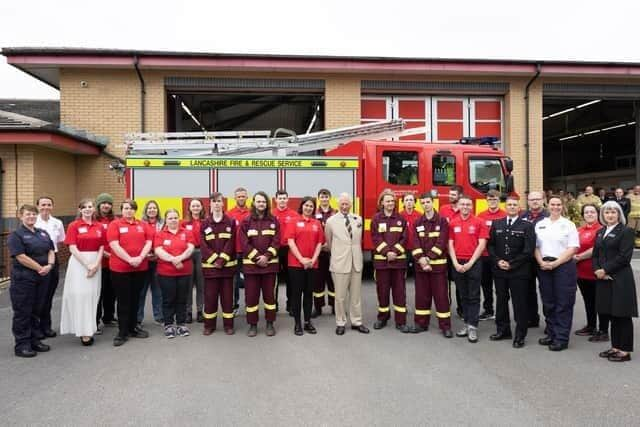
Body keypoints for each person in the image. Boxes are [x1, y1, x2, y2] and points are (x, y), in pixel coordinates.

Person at [487, 196, 535, 348]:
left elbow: (528, 250)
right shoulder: (497, 223)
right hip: (500, 270)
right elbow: (491, 246)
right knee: (501, 301)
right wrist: (497, 261)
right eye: (509, 205)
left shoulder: (527, 226)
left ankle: (520, 335)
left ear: (519, 207)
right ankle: (503, 330)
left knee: (519, 303)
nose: (512, 207)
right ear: (505, 207)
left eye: (515, 205)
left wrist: (511, 264)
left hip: (519, 272)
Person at [593, 201, 638, 362]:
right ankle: (615, 347)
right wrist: (598, 270)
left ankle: (625, 351)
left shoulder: (626, 231)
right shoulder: (600, 231)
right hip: (604, 278)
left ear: (619, 214)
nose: (610, 215)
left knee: (622, 315)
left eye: (613, 212)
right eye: (606, 212)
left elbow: (624, 257)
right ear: (602, 215)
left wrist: (605, 270)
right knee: (611, 314)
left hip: (620, 278)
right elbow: (596, 255)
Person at [8, 204, 55, 357]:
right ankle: (22, 345)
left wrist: (50, 265)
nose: (31, 217)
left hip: (42, 277)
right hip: (24, 279)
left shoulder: (42, 233)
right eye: (28, 214)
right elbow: (21, 256)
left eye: (34, 214)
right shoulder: (16, 235)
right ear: (20, 216)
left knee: (37, 310)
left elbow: (50, 250)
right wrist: (39, 268)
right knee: (23, 312)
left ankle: (35, 340)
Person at [534, 195, 580, 351]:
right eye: (553, 204)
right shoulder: (540, 224)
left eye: (558, 204)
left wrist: (555, 263)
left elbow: (572, 248)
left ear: (562, 206)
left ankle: (561, 338)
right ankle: (552, 333)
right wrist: (541, 262)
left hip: (563, 266)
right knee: (548, 302)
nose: (555, 207)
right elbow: (535, 247)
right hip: (544, 266)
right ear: (548, 205)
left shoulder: (569, 225)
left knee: (563, 303)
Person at [107, 199, 153, 346]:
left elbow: (149, 242)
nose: (129, 211)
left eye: (132, 208)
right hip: (121, 269)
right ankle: (122, 332)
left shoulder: (142, 225)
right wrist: (129, 259)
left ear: (135, 210)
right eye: (126, 208)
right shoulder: (115, 224)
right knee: (123, 301)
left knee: (135, 299)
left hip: (140, 267)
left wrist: (140, 257)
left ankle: (133, 328)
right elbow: (114, 244)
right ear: (122, 210)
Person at [60, 199, 104, 346]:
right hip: (79, 263)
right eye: (84, 207)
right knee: (80, 295)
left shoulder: (99, 226)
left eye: (90, 206)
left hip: (95, 263)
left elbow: (102, 247)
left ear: (94, 209)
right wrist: (87, 265)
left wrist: (96, 265)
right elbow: (72, 248)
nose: (87, 209)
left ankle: (90, 328)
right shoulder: (74, 225)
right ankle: (82, 331)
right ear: (79, 209)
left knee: (92, 296)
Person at [324, 193, 369, 336]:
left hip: (356, 262)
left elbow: (358, 240)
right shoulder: (331, 221)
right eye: (342, 204)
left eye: (347, 204)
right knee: (340, 297)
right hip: (340, 263)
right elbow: (329, 242)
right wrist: (338, 253)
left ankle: (356, 321)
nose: (344, 206)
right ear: (338, 205)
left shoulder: (358, 219)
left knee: (355, 296)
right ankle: (340, 322)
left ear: (351, 204)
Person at [409, 193, 452, 338]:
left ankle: (445, 326)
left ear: (433, 202)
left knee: (441, 297)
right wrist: (421, 259)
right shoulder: (417, 222)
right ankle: (421, 324)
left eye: (428, 202)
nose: (425, 204)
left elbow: (441, 242)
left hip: (438, 268)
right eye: (423, 202)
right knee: (422, 296)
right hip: (421, 267)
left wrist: (428, 258)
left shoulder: (442, 221)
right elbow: (414, 243)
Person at [448, 195, 489, 343]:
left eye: (468, 204)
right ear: (458, 206)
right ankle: (467, 323)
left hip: (474, 263)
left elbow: (482, 244)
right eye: (462, 204)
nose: (465, 207)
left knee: (474, 295)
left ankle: (473, 326)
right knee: (463, 295)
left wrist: (471, 262)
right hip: (458, 262)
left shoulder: (479, 222)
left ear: (472, 206)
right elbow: (450, 244)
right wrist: (455, 263)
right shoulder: (452, 223)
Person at [239, 191, 280, 337]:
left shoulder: (274, 220)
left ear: (267, 204)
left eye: (263, 202)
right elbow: (244, 243)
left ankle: (270, 323)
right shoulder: (246, 221)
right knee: (251, 297)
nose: (261, 204)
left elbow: (276, 240)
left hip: (270, 266)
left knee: (269, 297)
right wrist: (257, 258)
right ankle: (253, 324)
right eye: (259, 201)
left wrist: (267, 257)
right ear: (254, 203)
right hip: (251, 267)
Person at [371, 189, 409, 333]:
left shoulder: (401, 219)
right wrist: (387, 252)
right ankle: (383, 318)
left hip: (398, 263)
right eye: (387, 201)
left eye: (392, 201)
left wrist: (395, 252)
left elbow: (404, 238)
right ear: (382, 203)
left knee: (400, 292)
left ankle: (401, 321)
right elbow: (375, 238)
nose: (390, 203)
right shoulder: (376, 219)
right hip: (382, 263)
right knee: (383, 291)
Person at [154, 209, 195, 339]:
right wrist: (174, 260)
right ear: (166, 220)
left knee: (182, 299)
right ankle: (169, 324)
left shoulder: (186, 232)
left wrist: (180, 258)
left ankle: (181, 324)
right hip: (166, 273)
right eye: (170, 218)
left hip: (185, 271)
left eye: (175, 217)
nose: (173, 220)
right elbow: (158, 250)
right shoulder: (160, 234)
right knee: (168, 299)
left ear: (179, 219)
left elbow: (191, 248)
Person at [286, 197, 325, 335]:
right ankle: (297, 323)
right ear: (302, 206)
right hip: (296, 265)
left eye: (311, 206)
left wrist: (313, 260)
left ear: (314, 208)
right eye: (306, 205)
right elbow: (290, 242)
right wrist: (302, 259)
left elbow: (320, 243)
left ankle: (307, 322)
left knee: (309, 294)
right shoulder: (293, 221)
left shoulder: (317, 223)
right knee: (296, 295)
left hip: (312, 265)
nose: (308, 208)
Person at [201, 192, 237, 335]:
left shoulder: (231, 222)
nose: (216, 203)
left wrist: (221, 260)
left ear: (223, 203)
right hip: (210, 269)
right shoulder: (204, 223)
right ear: (210, 204)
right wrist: (214, 259)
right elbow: (203, 244)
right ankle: (209, 325)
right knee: (210, 298)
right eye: (214, 201)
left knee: (228, 298)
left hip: (226, 268)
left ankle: (228, 325)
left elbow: (231, 242)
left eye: (219, 201)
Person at [574, 204, 607, 340]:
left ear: (597, 214)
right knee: (588, 301)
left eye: (592, 212)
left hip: (596, 272)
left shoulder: (602, 230)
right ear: (583, 215)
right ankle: (591, 326)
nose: (589, 214)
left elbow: (597, 248)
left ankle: (603, 330)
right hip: (581, 273)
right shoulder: (579, 230)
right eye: (586, 212)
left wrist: (579, 257)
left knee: (601, 302)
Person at [35, 196, 65, 339]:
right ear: (38, 206)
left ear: (52, 206)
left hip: (53, 260)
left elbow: (59, 242)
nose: (45, 207)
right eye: (43, 205)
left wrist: (51, 260)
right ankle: (36, 328)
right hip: (36, 261)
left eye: (48, 204)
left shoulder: (57, 223)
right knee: (38, 296)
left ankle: (46, 326)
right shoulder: (33, 221)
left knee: (49, 296)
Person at [520, 190, 549, 328]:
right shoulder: (523, 216)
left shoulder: (549, 216)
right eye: (532, 200)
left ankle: (550, 323)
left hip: (544, 259)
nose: (535, 202)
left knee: (546, 291)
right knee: (527, 290)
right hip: (526, 260)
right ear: (528, 202)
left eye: (537, 199)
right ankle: (532, 318)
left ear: (543, 200)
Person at [476, 190, 506, 321]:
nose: (492, 202)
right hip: (484, 256)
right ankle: (488, 310)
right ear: (486, 201)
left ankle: (501, 312)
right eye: (489, 199)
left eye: (494, 199)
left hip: (500, 256)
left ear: (499, 201)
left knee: (501, 287)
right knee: (486, 285)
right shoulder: (481, 215)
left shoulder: (505, 215)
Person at [439, 184, 463, 318]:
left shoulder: (464, 209)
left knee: (460, 281)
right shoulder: (443, 209)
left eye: (453, 195)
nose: (450, 196)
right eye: (450, 194)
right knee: (444, 281)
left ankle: (462, 308)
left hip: (458, 251)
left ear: (460, 196)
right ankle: (445, 307)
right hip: (444, 251)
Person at [273, 189, 299, 314]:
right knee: (275, 280)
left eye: (284, 198)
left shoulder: (294, 215)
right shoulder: (271, 214)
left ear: (288, 200)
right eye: (280, 198)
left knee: (291, 279)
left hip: (289, 250)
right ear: (275, 199)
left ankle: (291, 305)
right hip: (275, 250)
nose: (282, 200)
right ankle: (274, 305)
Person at [137, 200, 163, 326]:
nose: (152, 210)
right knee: (141, 291)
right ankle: (138, 318)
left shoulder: (163, 224)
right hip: (144, 260)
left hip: (158, 261)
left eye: (154, 208)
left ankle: (159, 316)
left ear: (158, 210)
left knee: (157, 290)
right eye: (149, 208)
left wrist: (158, 254)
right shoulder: (140, 224)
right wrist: (145, 254)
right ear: (146, 210)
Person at [312, 188, 336, 318]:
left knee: (333, 281)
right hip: (318, 253)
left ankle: (334, 306)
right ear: (319, 198)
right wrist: (320, 246)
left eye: (326, 197)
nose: (324, 199)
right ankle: (318, 307)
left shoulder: (335, 213)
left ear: (330, 198)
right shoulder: (313, 213)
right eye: (322, 197)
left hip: (332, 253)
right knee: (318, 281)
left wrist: (330, 244)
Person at [227, 187, 250, 314]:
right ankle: (234, 305)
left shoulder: (252, 213)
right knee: (234, 281)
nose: (241, 198)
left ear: (247, 197)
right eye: (239, 196)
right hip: (234, 252)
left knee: (250, 280)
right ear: (235, 198)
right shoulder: (229, 214)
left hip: (248, 252)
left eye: (243, 196)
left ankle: (249, 305)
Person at [182, 198, 205, 323]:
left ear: (201, 207)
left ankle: (200, 311)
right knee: (188, 284)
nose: (195, 208)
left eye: (198, 206)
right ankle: (188, 312)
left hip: (202, 253)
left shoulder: (206, 222)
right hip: (188, 253)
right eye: (193, 206)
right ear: (189, 208)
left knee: (201, 284)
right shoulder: (184, 223)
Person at [95, 193, 116, 330]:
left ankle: (108, 317)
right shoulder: (94, 221)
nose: (106, 205)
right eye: (103, 203)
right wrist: (107, 254)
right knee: (98, 293)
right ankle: (95, 321)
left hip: (114, 264)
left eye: (109, 203)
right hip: (99, 264)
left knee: (111, 292)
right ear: (98, 205)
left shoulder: (114, 221)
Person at [400, 193, 421, 277]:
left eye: (411, 200)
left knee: (419, 273)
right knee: (401, 274)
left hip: (416, 249)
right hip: (403, 249)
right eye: (406, 200)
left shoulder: (419, 216)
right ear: (403, 202)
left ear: (414, 202)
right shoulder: (399, 216)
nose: (409, 202)